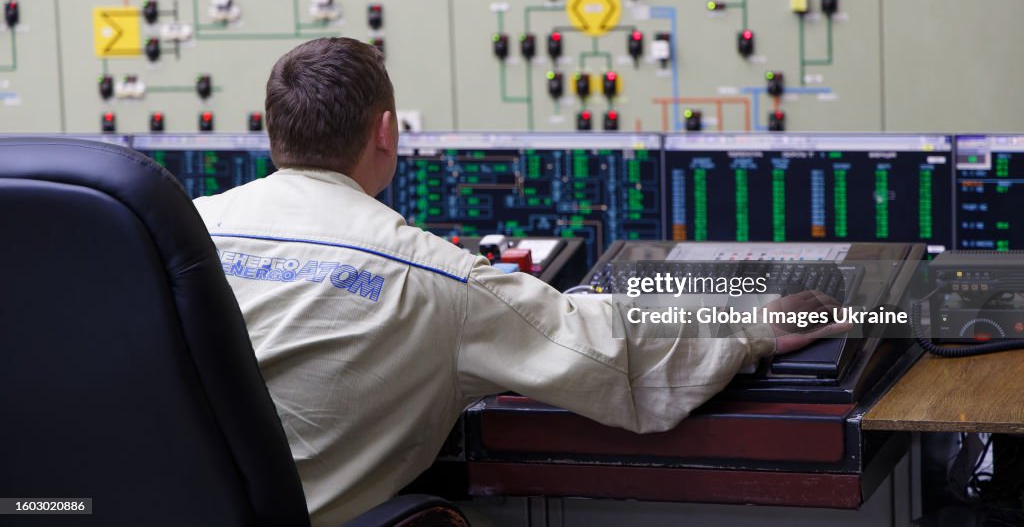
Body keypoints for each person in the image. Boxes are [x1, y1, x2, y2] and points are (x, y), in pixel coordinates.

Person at [193, 37, 842, 526]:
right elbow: (601, 350)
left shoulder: (184, 233)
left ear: (273, 131)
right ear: (386, 133)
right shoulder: (432, 277)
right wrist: (753, 323)